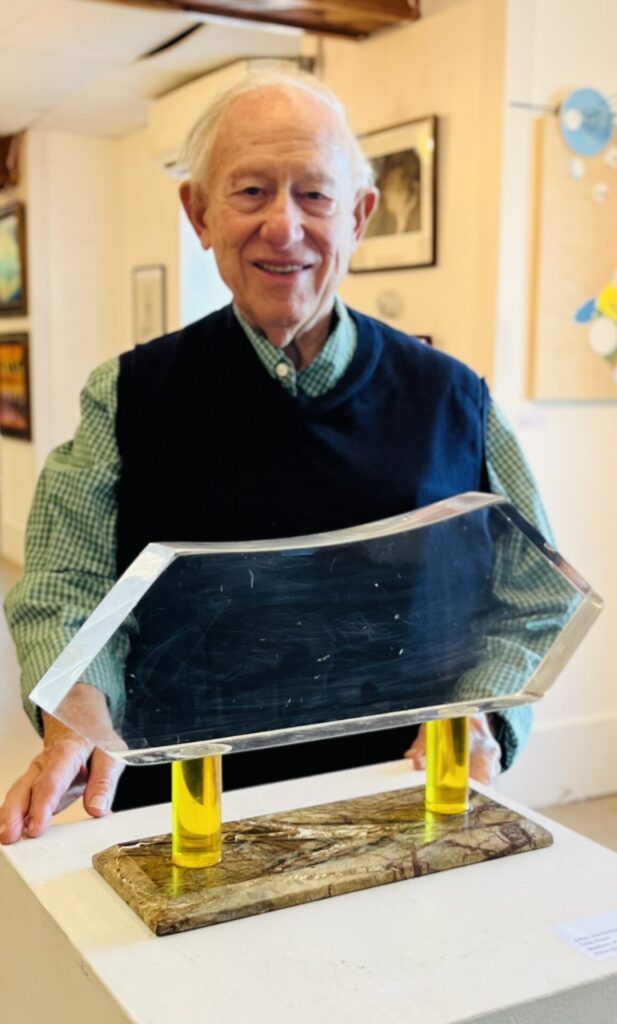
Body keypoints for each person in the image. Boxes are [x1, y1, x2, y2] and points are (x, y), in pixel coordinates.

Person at [0, 69, 553, 846]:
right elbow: (66, 587)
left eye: (315, 196)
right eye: (251, 191)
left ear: (359, 215)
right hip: (180, 815)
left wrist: (480, 709)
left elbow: (532, 594)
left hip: (401, 800)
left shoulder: (454, 399)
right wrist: (77, 719)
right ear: (198, 212)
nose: (284, 227)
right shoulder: (128, 397)